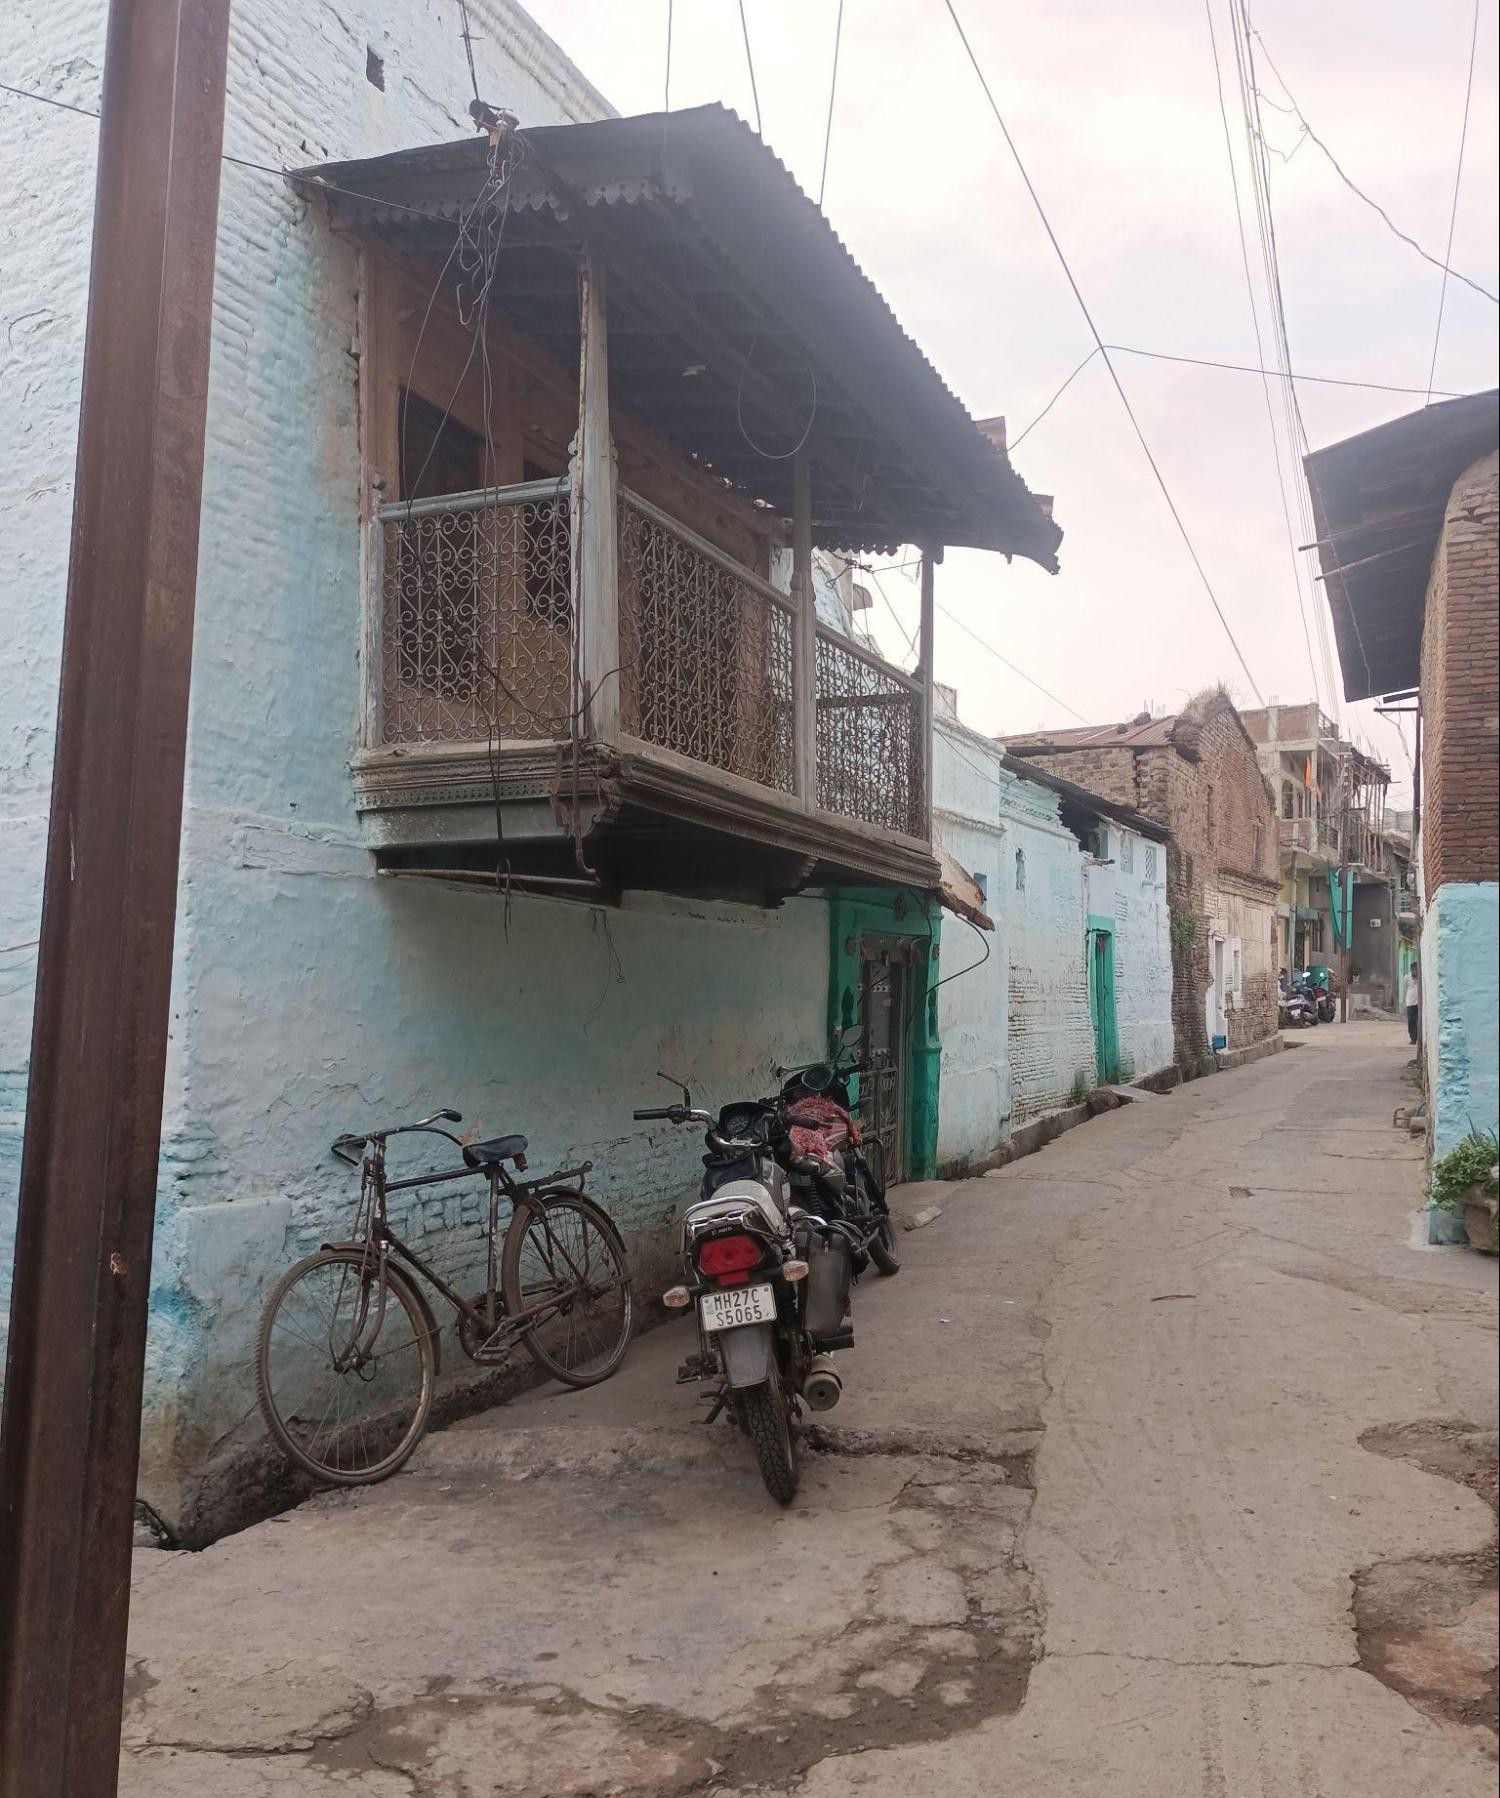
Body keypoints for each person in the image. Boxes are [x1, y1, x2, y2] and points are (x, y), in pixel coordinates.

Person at [1404, 964, 1420, 1045]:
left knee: (1418, 1021)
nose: (1415, 972)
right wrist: (1405, 1002)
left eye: (1416, 970)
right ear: (1411, 970)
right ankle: (1413, 1038)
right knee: (1411, 1021)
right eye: (1413, 970)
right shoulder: (1407, 978)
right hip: (1410, 1003)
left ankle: (1418, 1037)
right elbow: (1405, 989)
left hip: (1419, 1003)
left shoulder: (1421, 977)